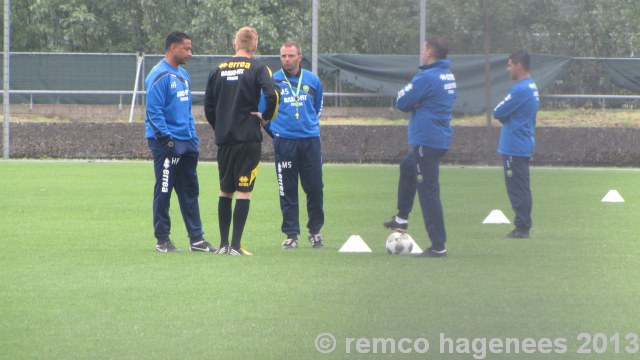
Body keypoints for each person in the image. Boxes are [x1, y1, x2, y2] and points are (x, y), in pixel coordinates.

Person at [204, 26, 279, 256]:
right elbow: (272, 95)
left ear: (235, 45)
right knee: (243, 191)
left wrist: (222, 126)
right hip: (248, 138)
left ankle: (223, 244)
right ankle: (236, 246)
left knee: (225, 190)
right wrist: (265, 118)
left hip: (225, 139)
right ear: (254, 46)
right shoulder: (258, 68)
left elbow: (208, 106)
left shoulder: (217, 69)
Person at [383, 36, 457, 258]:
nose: (422, 51)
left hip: (428, 140)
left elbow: (401, 101)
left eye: (424, 48)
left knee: (428, 192)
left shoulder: (426, 78)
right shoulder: (448, 75)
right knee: (407, 166)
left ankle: (438, 246)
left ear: (429, 52)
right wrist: (421, 102)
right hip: (439, 137)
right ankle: (401, 217)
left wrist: (417, 102)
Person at [145, 31, 215, 253]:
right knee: (164, 189)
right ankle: (162, 239)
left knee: (190, 191)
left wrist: (193, 138)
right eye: (187, 48)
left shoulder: (183, 75)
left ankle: (197, 239)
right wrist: (167, 140)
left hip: (187, 143)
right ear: (173, 48)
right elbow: (154, 112)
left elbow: (186, 112)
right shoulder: (159, 75)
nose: (190, 53)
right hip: (166, 144)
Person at [264, 40, 325, 250]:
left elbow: (316, 109)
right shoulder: (273, 81)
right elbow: (264, 113)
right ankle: (291, 234)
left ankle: (315, 231)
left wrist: (307, 127)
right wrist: (277, 133)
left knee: (315, 187)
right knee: (287, 189)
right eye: (283, 56)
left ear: (300, 57)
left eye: (290, 56)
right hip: (284, 142)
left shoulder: (313, 80)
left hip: (310, 141)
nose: (286, 60)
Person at [493, 51, 539, 239]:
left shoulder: (521, 89)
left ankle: (522, 227)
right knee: (522, 187)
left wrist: (505, 116)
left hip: (515, 145)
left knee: (517, 188)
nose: (508, 69)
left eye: (510, 65)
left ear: (519, 66)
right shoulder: (531, 86)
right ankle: (523, 224)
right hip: (522, 143)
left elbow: (498, 111)